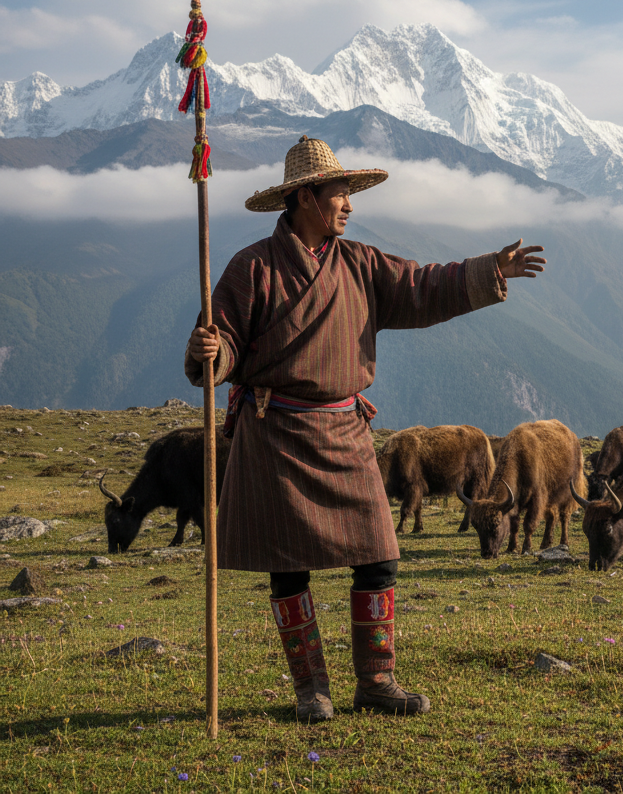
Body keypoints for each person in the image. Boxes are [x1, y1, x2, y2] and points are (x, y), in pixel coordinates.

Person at [185, 136, 544, 722]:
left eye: (350, 194)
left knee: (379, 555)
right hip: (274, 434)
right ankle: (311, 691)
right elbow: (220, 341)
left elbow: (426, 285)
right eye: (339, 194)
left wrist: (489, 271)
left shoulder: (360, 265)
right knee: (287, 565)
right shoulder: (252, 267)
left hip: (346, 432)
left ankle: (376, 681)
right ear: (305, 197)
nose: (349, 205)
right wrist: (210, 351)